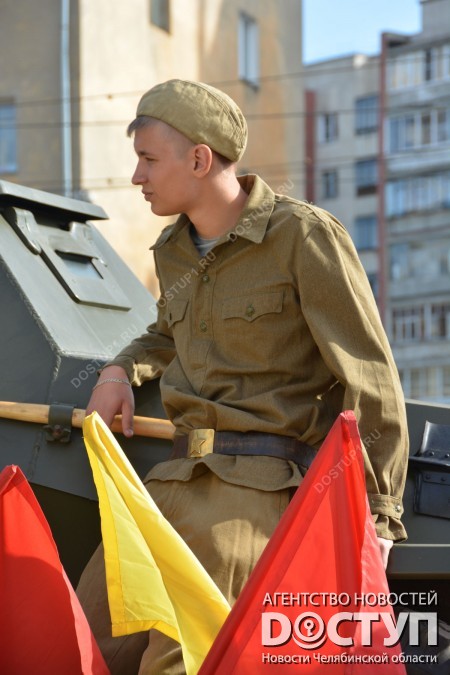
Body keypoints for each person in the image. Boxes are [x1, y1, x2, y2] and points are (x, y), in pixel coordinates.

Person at [77, 78, 409, 674]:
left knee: (182, 662)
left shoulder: (302, 236)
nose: (136, 177)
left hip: (251, 497)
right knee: (74, 646)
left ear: (199, 160)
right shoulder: (174, 250)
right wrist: (119, 370)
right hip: (169, 483)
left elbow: (370, 375)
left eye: (148, 159)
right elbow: (166, 333)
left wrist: (380, 511)